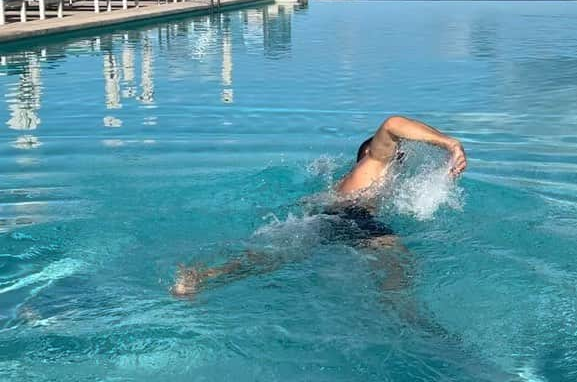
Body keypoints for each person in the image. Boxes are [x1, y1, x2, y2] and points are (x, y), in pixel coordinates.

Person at [171, 115, 467, 297]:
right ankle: (404, 319)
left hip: (327, 221)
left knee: (270, 259)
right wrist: (450, 144)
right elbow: (393, 125)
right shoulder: (374, 163)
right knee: (401, 266)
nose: (399, 155)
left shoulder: (347, 181)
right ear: (368, 152)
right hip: (354, 220)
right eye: (396, 151)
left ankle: (201, 277)